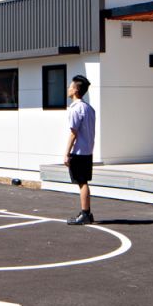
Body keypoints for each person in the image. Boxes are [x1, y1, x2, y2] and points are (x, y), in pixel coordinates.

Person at [63, 74, 96, 225]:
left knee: (82, 182)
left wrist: (66, 153)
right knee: (83, 181)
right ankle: (86, 212)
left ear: (76, 90)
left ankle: (85, 214)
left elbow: (73, 132)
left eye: (70, 87)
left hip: (79, 152)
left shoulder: (75, 109)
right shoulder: (89, 109)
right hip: (88, 150)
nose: (68, 89)